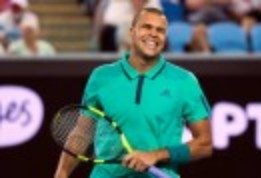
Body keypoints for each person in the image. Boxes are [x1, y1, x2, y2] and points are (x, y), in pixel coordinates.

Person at [54, 7, 212, 178]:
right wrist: (61, 173)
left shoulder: (184, 81)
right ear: (132, 31)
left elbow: (204, 144)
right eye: (146, 27)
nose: (153, 34)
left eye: (160, 30)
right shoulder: (101, 77)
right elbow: (82, 132)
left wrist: (155, 155)